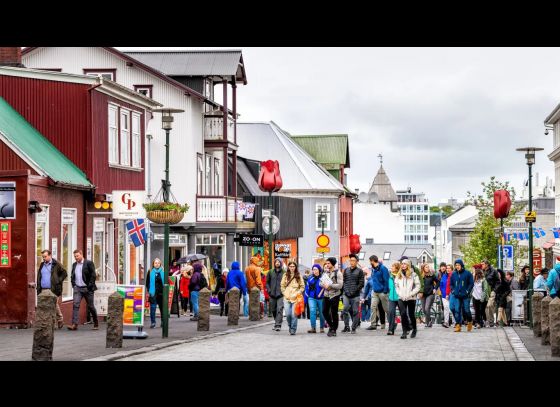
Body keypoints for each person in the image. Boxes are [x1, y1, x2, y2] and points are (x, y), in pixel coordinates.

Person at [36, 249, 67, 329]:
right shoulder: (42, 264)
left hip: (53, 289)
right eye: (43, 257)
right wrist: (38, 287)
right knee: (48, 306)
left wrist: (58, 281)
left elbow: (64, 273)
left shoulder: (56, 264)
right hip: (43, 289)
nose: (44, 258)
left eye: (45, 256)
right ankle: (59, 319)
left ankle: (53, 324)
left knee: (52, 306)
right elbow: (39, 276)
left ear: (50, 255)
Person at [67, 250, 98, 330]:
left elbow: (93, 275)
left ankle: (96, 323)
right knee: (75, 305)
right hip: (78, 288)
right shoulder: (74, 265)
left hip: (87, 288)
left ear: (81, 254)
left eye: (77, 256)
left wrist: (89, 286)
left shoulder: (88, 263)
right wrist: (73, 285)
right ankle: (75, 324)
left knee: (91, 306)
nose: (76, 258)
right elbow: (72, 276)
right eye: (75, 256)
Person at [395, 259, 421, 339]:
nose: (403, 265)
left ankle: (414, 329)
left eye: (405, 264)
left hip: (411, 298)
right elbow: (396, 286)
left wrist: (411, 294)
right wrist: (400, 294)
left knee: (411, 314)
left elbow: (418, 286)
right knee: (403, 314)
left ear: (408, 265)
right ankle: (404, 331)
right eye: (402, 264)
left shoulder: (414, 275)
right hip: (401, 297)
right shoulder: (398, 275)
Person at [342, 253, 365, 334]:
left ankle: (353, 328)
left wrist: (354, 291)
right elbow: (343, 282)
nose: (351, 262)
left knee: (355, 311)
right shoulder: (346, 270)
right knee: (345, 309)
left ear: (357, 262)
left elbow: (361, 283)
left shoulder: (360, 271)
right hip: (346, 294)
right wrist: (345, 290)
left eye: (353, 260)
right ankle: (346, 326)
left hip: (355, 295)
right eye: (350, 260)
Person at [281, 261, 305, 335]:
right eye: (290, 266)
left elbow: (302, 286)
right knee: (288, 314)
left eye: (293, 266)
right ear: (288, 267)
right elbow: (282, 286)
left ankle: (293, 329)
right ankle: (290, 326)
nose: (292, 268)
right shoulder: (285, 275)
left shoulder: (298, 275)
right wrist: (285, 293)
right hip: (287, 297)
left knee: (294, 314)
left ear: (295, 267)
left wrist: (298, 293)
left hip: (295, 298)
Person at [365, 255, 389, 330]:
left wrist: (385, 291)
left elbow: (386, 280)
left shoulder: (383, 268)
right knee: (373, 307)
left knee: (386, 309)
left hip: (382, 292)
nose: (369, 263)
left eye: (370, 261)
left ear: (372, 261)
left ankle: (392, 322)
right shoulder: (373, 269)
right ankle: (373, 325)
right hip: (375, 292)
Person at [450, 259, 474, 332]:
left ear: (461, 265)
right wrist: (453, 291)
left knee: (466, 310)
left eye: (458, 265)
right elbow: (451, 284)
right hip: (457, 295)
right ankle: (458, 325)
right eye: (456, 265)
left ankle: (470, 321)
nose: (457, 266)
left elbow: (471, 283)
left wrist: (467, 291)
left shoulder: (467, 273)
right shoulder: (454, 274)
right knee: (457, 310)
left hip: (465, 295)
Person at [321, 257, 343, 337]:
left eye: (328, 263)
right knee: (324, 311)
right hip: (326, 295)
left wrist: (330, 285)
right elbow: (320, 283)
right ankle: (331, 326)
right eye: (326, 263)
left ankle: (334, 329)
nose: (327, 265)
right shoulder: (325, 273)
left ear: (333, 264)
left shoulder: (338, 273)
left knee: (334, 313)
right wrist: (323, 284)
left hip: (334, 295)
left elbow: (340, 285)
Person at [305, 264, 326, 333]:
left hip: (321, 298)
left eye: (316, 269)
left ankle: (322, 327)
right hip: (311, 298)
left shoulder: (323, 278)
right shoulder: (310, 278)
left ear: (319, 270)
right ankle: (313, 328)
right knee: (312, 311)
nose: (314, 271)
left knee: (321, 313)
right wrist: (305, 299)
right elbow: (307, 289)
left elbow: (327, 287)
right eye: (313, 269)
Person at [267, 258, 286, 331]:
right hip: (272, 294)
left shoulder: (284, 272)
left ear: (281, 263)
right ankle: (276, 321)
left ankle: (278, 325)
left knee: (279, 309)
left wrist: (283, 291)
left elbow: (286, 283)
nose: (277, 263)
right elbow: (267, 282)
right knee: (273, 310)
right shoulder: (270, 272)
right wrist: (269, 290)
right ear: (274, 263)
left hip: (280, 294)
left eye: (279, 262)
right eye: (276, 262)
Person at [481, 259, 499, 327]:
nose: (481, 265)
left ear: (487, 265)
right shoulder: (482, 271)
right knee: (485, 306)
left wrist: (494, 290)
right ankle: (488, 321)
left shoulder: (493, 271)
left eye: (483, 264)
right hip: (484, 291)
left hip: (492, 290)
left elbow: (498, 281)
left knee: (490, 305)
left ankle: (491, 321)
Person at [420, 263, 438, 327]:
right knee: (424, 309)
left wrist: (435, 289)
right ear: (423, 268)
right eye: (426, 267)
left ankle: (427, 323)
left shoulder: (432, 275)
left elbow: (438, 282)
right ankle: (429, 320)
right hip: (422, 294)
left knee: (427, 308)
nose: (428, 268)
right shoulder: (420, 276)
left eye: (428, 267)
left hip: (430, 294)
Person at [386, 261, 401, 335]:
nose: (391, 268)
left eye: (393, 266)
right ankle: (391, 330)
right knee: (391, 312)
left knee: (403, 313)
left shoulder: (401, 276)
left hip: (400, 297)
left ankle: (408, 327)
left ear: (397, 268)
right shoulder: (390, 276)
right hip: (391, 297)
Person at [439, 264, 453, 328]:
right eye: (447, 268)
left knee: (453, 309)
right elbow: (441, 285)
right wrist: (442, 292)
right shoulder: (444, 276)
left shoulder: (454, 276)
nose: (447, 269)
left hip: (452, 295)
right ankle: (446, 322)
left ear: (452, 269)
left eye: (449, 268)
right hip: (444, 295)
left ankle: (454, 322)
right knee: (446, 307)